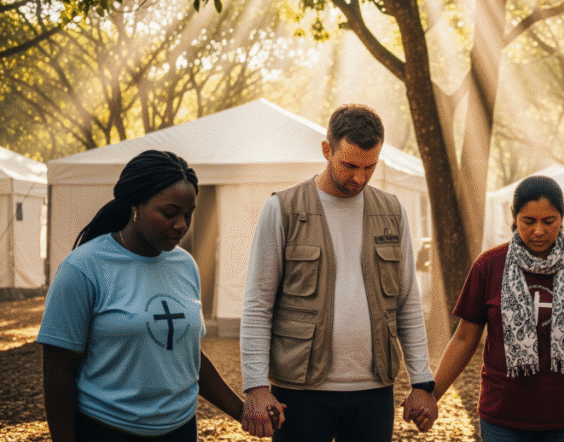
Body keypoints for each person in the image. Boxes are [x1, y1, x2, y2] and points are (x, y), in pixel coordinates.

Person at [239, 104, 435, 441]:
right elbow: (258, 304)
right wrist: (256, 387)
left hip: (374, 393)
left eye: (370, 167)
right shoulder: (283, 209)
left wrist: (422, 383)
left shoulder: (392, 212)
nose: (359, 177)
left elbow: (408, 303)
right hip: (299, 391)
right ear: (327, 150)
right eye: (349, 165)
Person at [37, 150, 244, 442]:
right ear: (135, 204)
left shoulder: (185, 265)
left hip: (181, 430)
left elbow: (187, 354)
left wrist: (242, 411)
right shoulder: (83, 268)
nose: (182, 225)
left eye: (188, 214)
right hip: (106, 430)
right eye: (169, 213)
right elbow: (57, 372)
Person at [414, 175, 564, 441]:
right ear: (514, 216)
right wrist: (432, 395)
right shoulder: (489, 266)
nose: (539, 231)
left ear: (562, 217)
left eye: (549, 221)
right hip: (503, 419)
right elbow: (464, 338)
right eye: (529, 221)